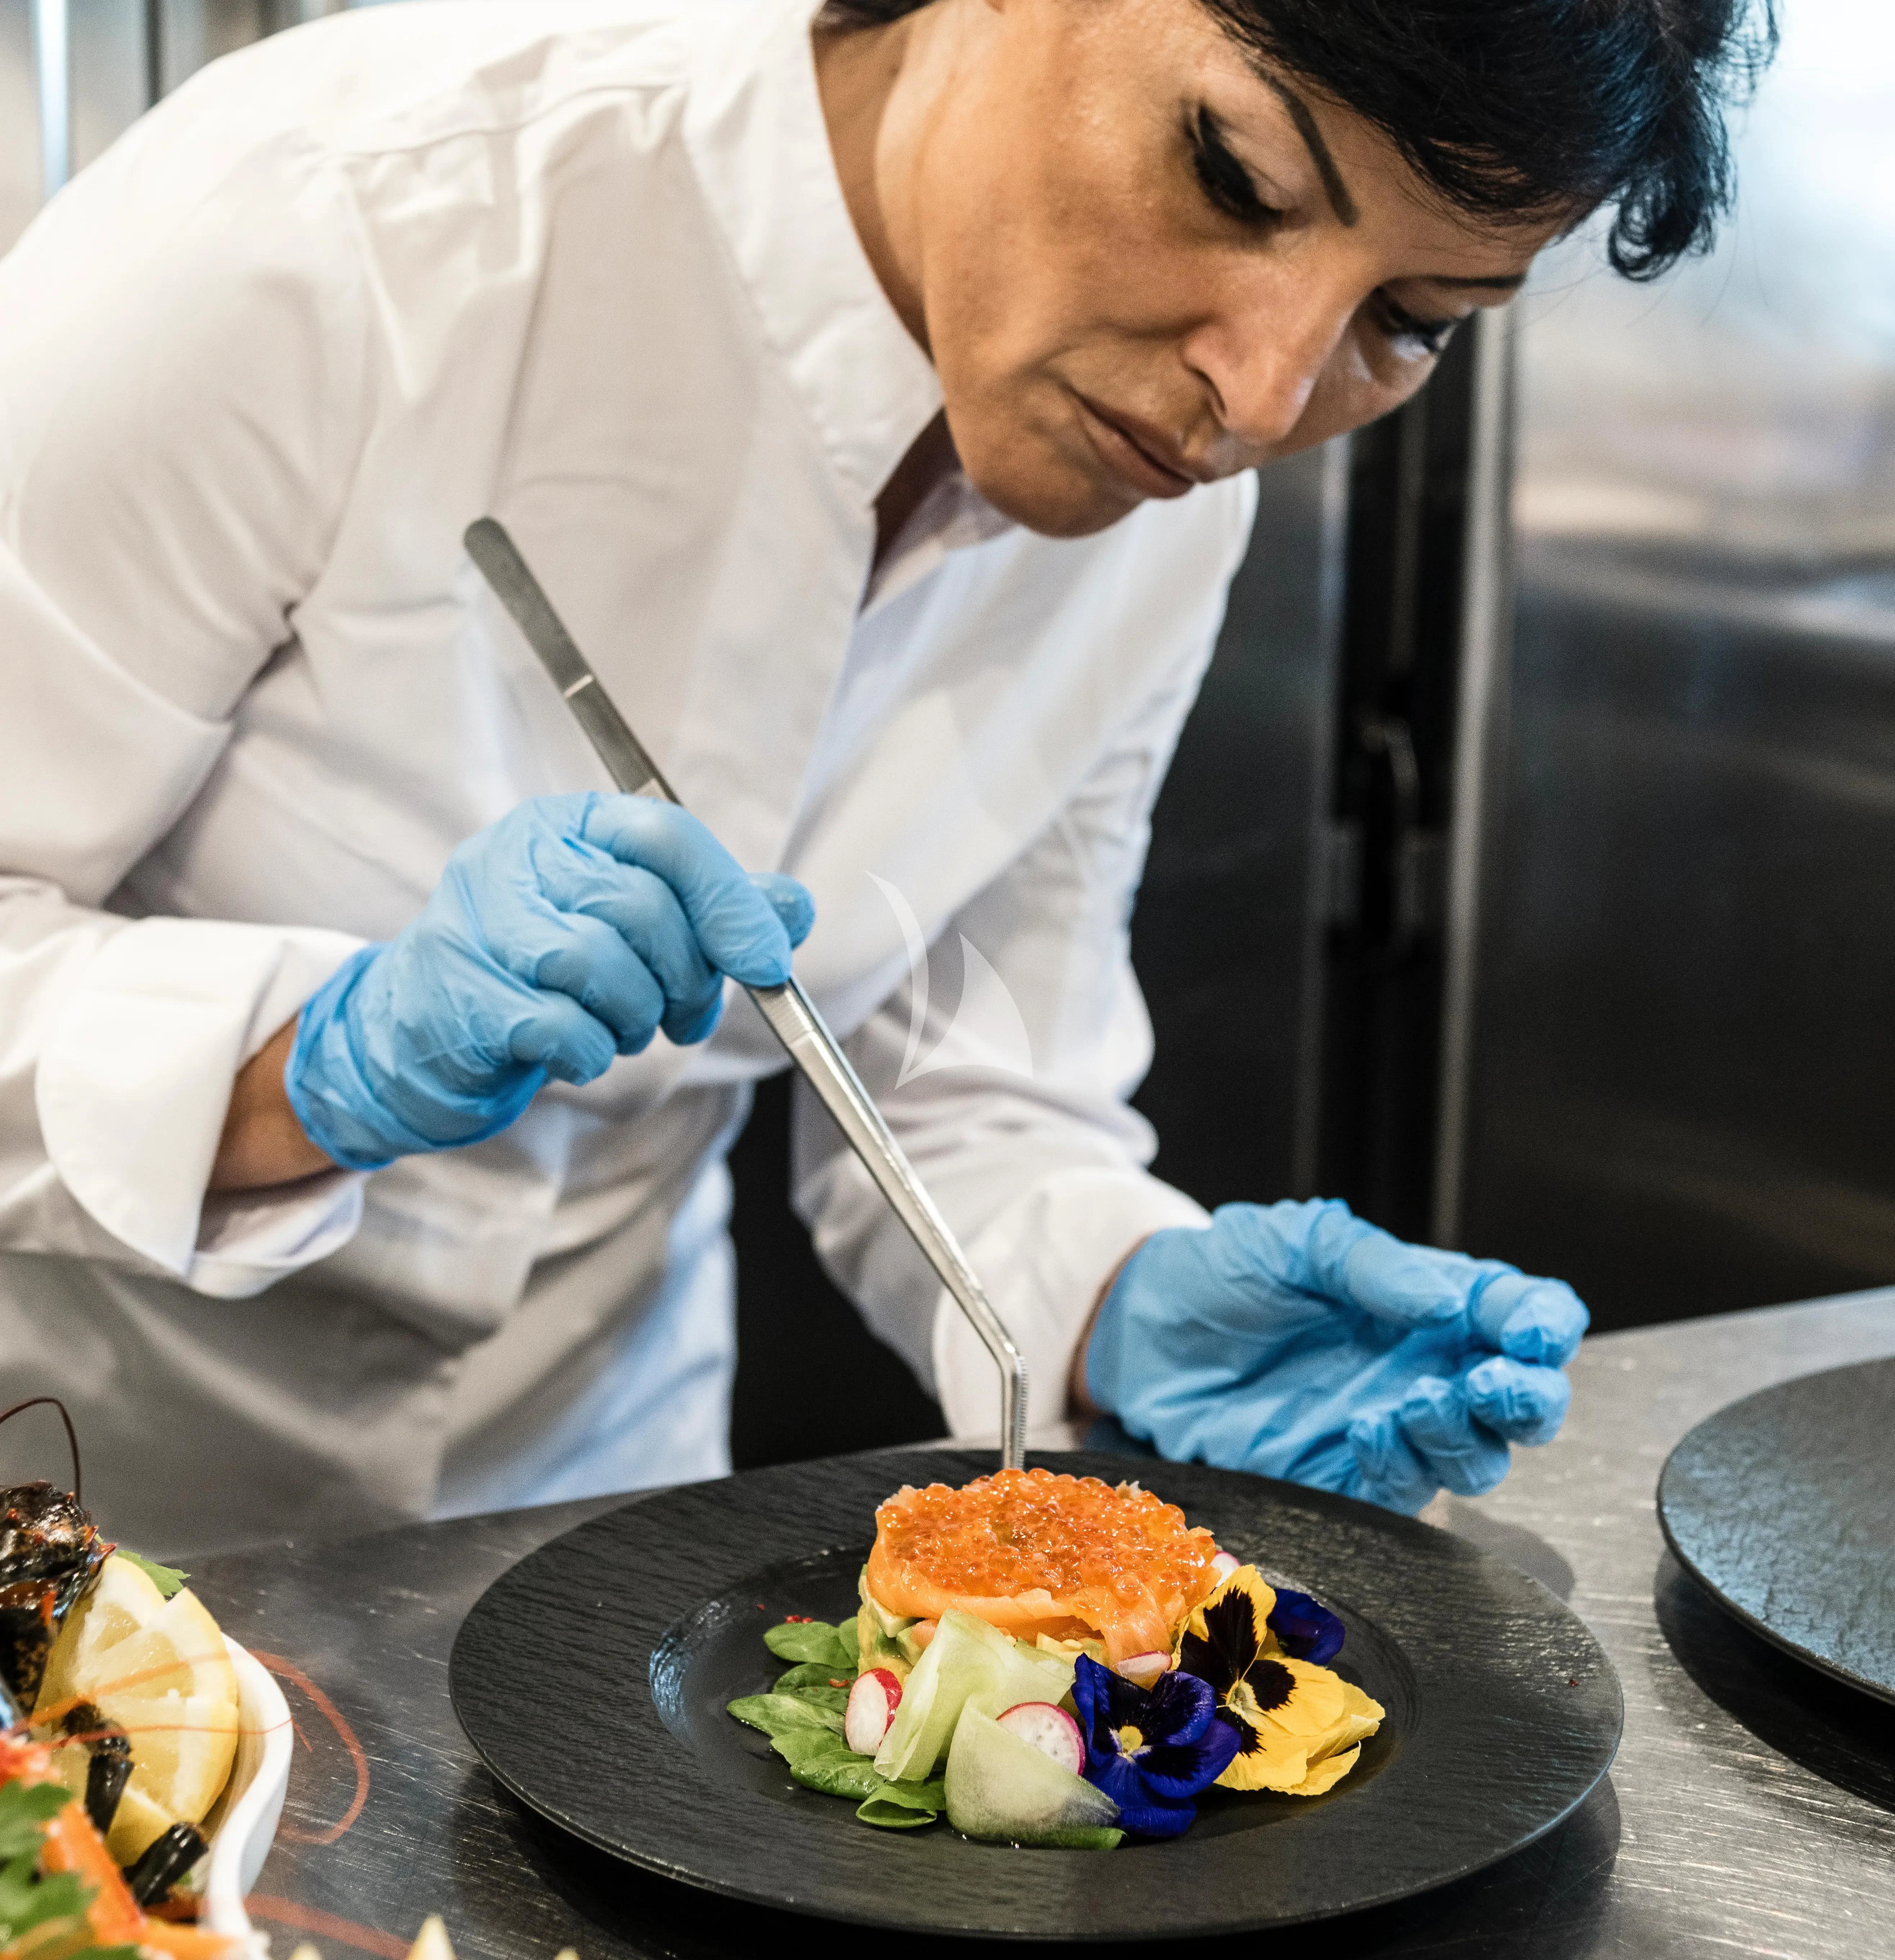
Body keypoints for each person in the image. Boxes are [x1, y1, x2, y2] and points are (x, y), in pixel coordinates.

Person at [0, 0, 1769, 1550]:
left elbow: (952, 1071)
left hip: (572, 1527)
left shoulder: (1156, 492)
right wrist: (305, 1066)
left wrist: (1116, 1294)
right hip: (88, 1512)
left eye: (1418, 316)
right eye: (1232, 173)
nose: (1261, 389)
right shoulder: (335, 224)